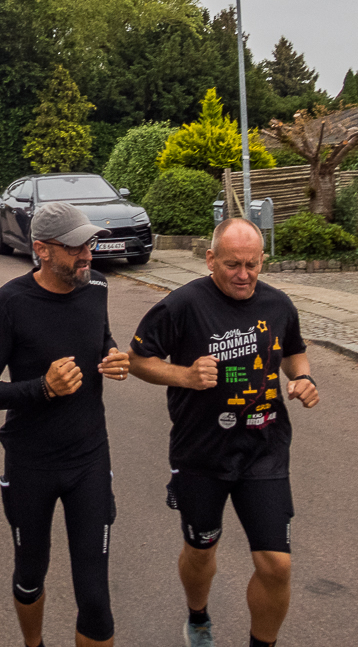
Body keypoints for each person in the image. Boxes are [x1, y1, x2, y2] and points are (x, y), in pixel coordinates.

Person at [127, 218, 320, 647]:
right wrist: (185, 375)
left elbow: (294, 351)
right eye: (233, 264)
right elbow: (138, 361)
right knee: (201, 551)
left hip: (264, 449)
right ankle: (198, 615)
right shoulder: (181, 305)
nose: (244, 274)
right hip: (201, 453)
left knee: (276, 564)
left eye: (253, 264)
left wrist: (304, 378)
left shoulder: (278, 303)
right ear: (210, 258)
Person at [0, 202, 130, 647]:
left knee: (96, 599)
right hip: (31, 463)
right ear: (42, 249)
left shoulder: (96, 286)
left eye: (90, 243)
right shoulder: (10, 303)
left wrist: (111, 355)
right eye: (77, 247)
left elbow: (100, 335)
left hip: (89, 458)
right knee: (30, 575)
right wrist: (42, 388)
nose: (88, 255)